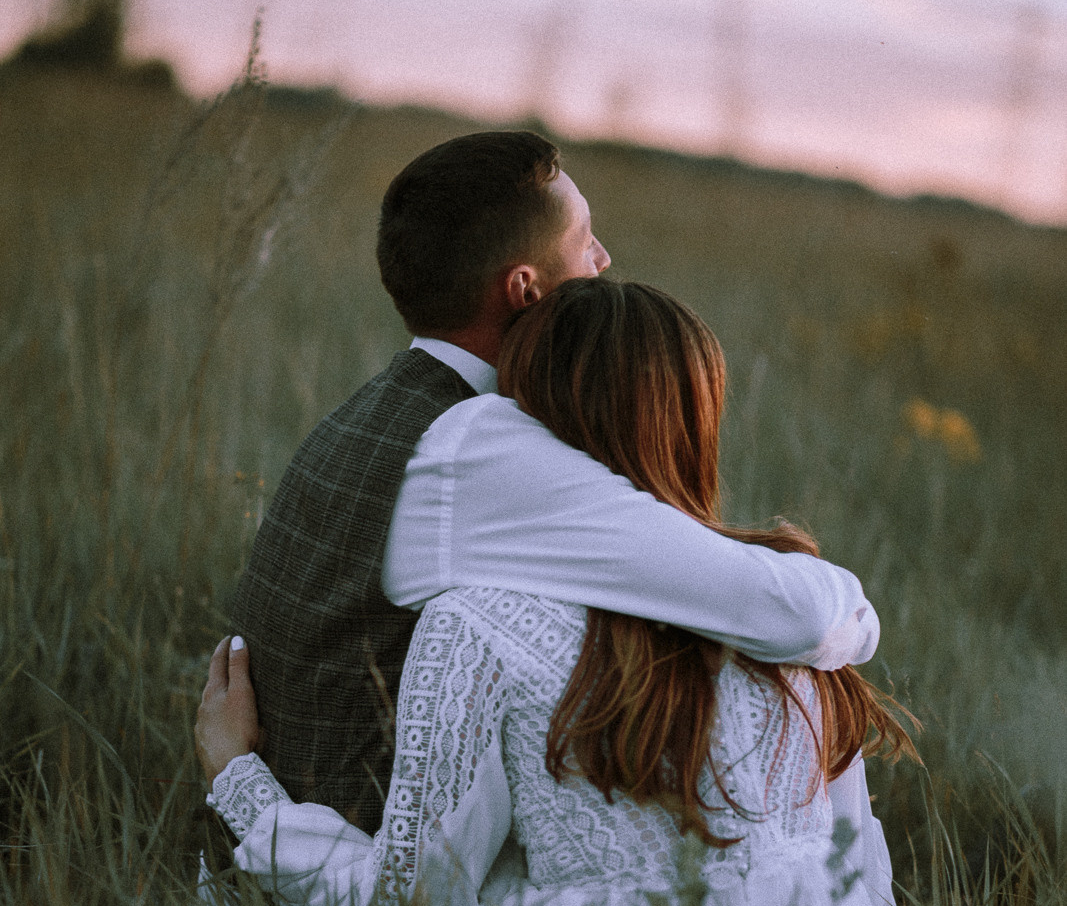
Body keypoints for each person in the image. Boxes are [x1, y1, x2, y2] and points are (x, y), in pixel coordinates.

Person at [197, 279, 924, 906]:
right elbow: (861, 881)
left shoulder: (477, 623)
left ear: (522, 417)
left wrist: (244, 789)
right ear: (697, 427)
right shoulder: (787, 609)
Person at [227, 131, 879, 851]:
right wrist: (856, 618)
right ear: (525, 289)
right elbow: (793, 614)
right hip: (344, 870)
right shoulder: (479, 445)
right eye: (584, 240)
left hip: (275, 844)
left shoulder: (379, 411)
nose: (604, 259)